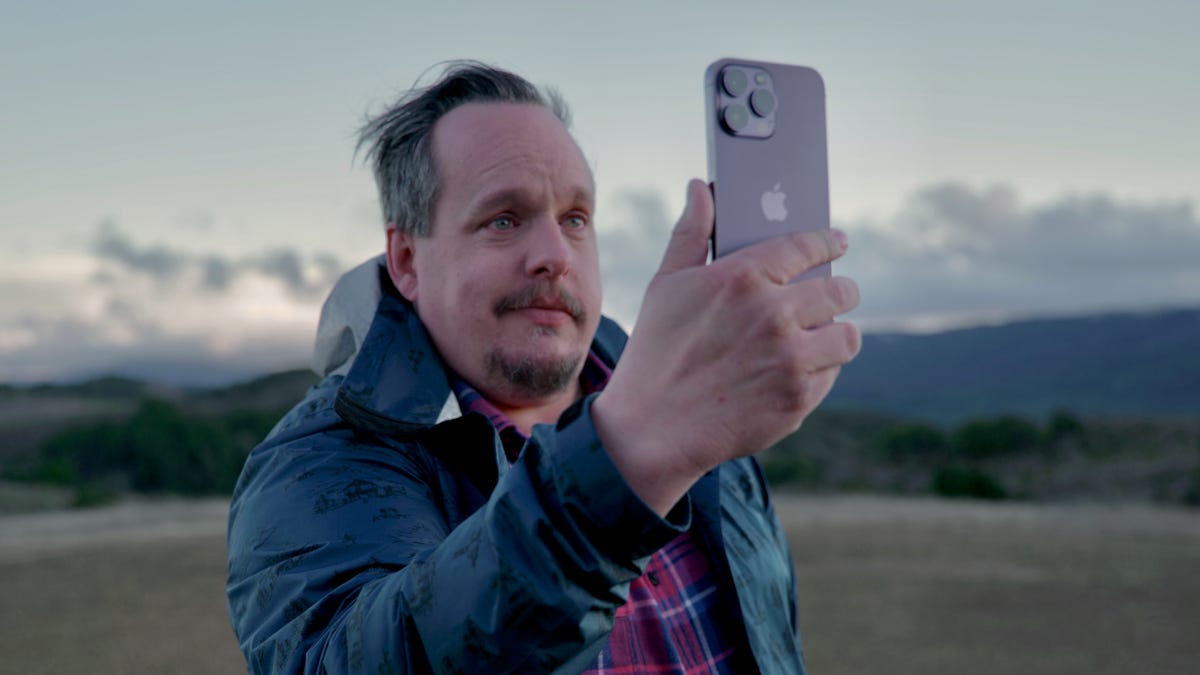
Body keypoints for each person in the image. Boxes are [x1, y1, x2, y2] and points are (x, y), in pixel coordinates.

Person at [226, 61, 860, 674]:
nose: (556, 255)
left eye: (575, 219)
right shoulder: (320, 461)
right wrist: (625, 459)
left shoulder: (699, 413)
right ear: (407, 260)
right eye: (503, 219)